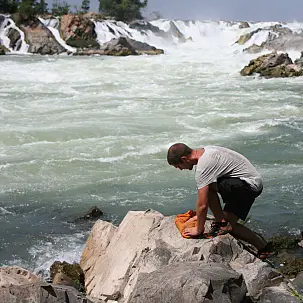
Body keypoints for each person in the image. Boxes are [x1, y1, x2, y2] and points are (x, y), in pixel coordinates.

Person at [167, 143, 274, 259]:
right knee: (209, 187)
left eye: (178, 166)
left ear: (184, 159)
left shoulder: (203, 167)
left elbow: (202, 205)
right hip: (247, 180)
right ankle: (221, 221)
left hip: (248, 186)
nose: (180, 169)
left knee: (228, 227)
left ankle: (264, 248)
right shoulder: (206, 151)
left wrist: (198, 229)